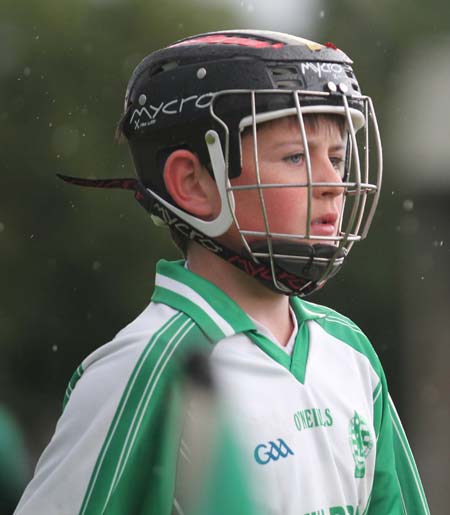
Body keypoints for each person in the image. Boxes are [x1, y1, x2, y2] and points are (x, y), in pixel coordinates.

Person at [15, 30, 430, 515]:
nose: (333, 184)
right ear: (193, 184)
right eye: (296, 156)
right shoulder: (143, 369)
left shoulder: (350, 353)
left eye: (336, 158)